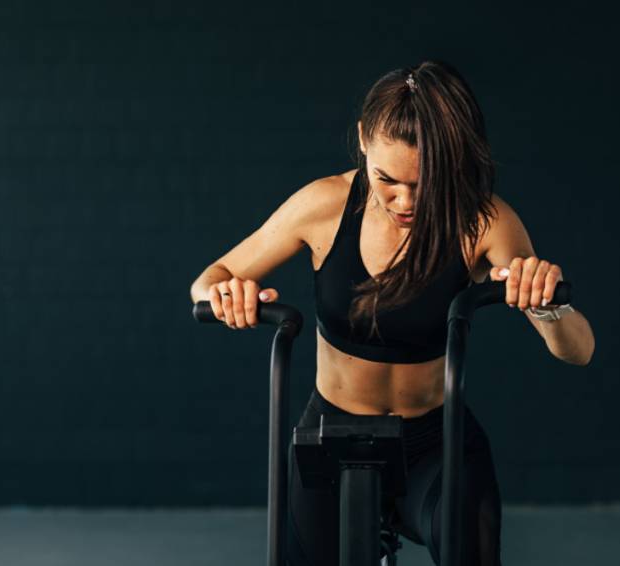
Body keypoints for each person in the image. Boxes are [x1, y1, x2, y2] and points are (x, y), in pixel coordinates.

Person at [189, 60, 595, 566]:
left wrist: (549, 303)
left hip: (433, 444)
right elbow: (210, 279)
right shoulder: (324, 204)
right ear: (362, 140)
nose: (404, 202)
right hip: (330, 439)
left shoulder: (482, 222)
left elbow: (577, 351)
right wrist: (226, 297)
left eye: (424, 184)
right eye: (387, 180)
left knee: (471, 543)